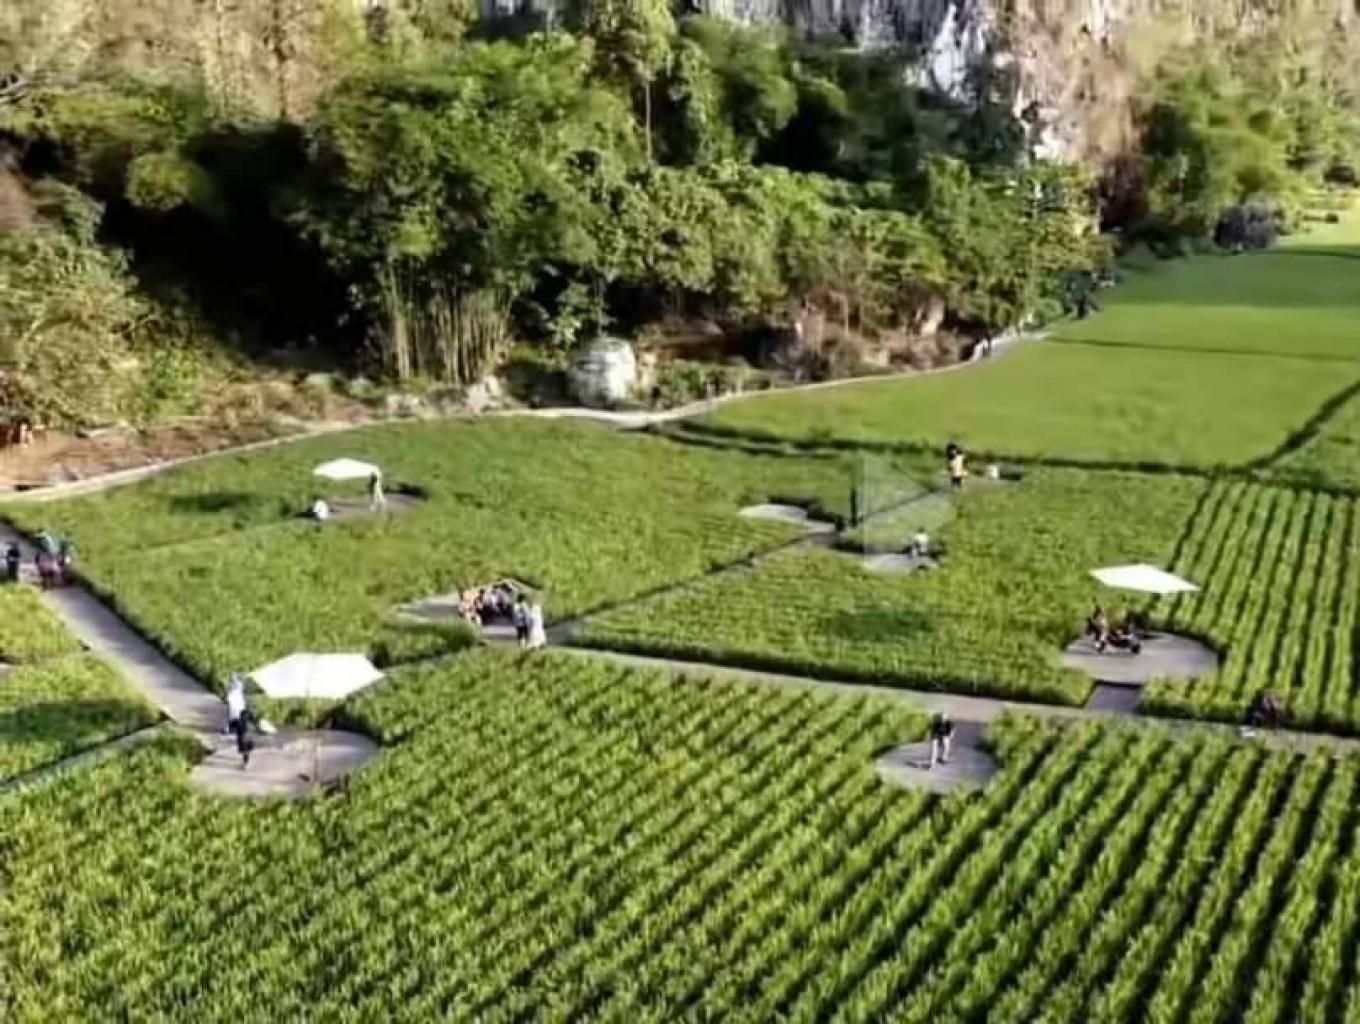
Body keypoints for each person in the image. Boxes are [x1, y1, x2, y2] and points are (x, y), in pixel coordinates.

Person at [226, 674, 254, 769]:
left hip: (239, 722)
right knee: (245, 743)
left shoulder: (232, 694)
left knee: (243, 744)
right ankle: (245, 761)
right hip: (243, 721)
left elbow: (230, 710)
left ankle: (245, 763)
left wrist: (229, 726)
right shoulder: (237, 690)